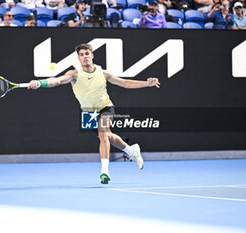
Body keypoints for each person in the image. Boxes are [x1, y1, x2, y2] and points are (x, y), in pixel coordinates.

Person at [27, 43, 160, 184]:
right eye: (81, 54)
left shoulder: (103, 73)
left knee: (103, 134)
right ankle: (131, 150)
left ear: (92, 55)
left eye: (87, 54)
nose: (84, 57)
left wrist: (147, 83)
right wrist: (40, 83)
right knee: (107, 136)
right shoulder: (74, 74)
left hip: (106, 107)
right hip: (89, 112)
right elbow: (57, 80)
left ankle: (104, 171)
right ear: (78, 58)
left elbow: (125, 83)